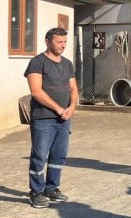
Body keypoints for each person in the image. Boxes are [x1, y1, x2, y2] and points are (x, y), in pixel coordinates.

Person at [24, 27, 78, 208]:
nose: (63, 45)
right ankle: (36, 192)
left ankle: (52, 188)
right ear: (47, 41)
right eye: (59, 42)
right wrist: (58, 108)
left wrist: (71, 107)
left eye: (65, 42)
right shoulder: (37, 62)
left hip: (63, 119)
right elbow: (36, 92)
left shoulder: (68, 64)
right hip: (43, 118)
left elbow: (73, 88)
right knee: (39, 156)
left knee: (59, 155)